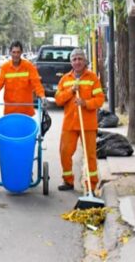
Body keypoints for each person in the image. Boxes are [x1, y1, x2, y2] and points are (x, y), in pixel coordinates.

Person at [54, 48, 105, 191]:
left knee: (90, 156)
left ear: (84, 61)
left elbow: (100, 100)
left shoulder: (92, 78)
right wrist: (70, 91)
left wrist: (86, 103)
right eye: (74, 59)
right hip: (69, 123)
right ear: (71, 62)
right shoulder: (65, 79)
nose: (77, 62)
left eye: (80, 59)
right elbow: (58, 99)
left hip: (87, 124)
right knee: (64, 152)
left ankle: (91, 186)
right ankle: (68, 181)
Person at [0, 41, 46, 116]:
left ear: (21, 53)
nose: (16, 55)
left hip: (26, 111)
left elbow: (37, 84)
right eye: (14, 52)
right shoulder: (5, 68)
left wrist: (42, 96)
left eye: (18, 52)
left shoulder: (29, 67)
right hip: (10, 111)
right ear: (10, 52)